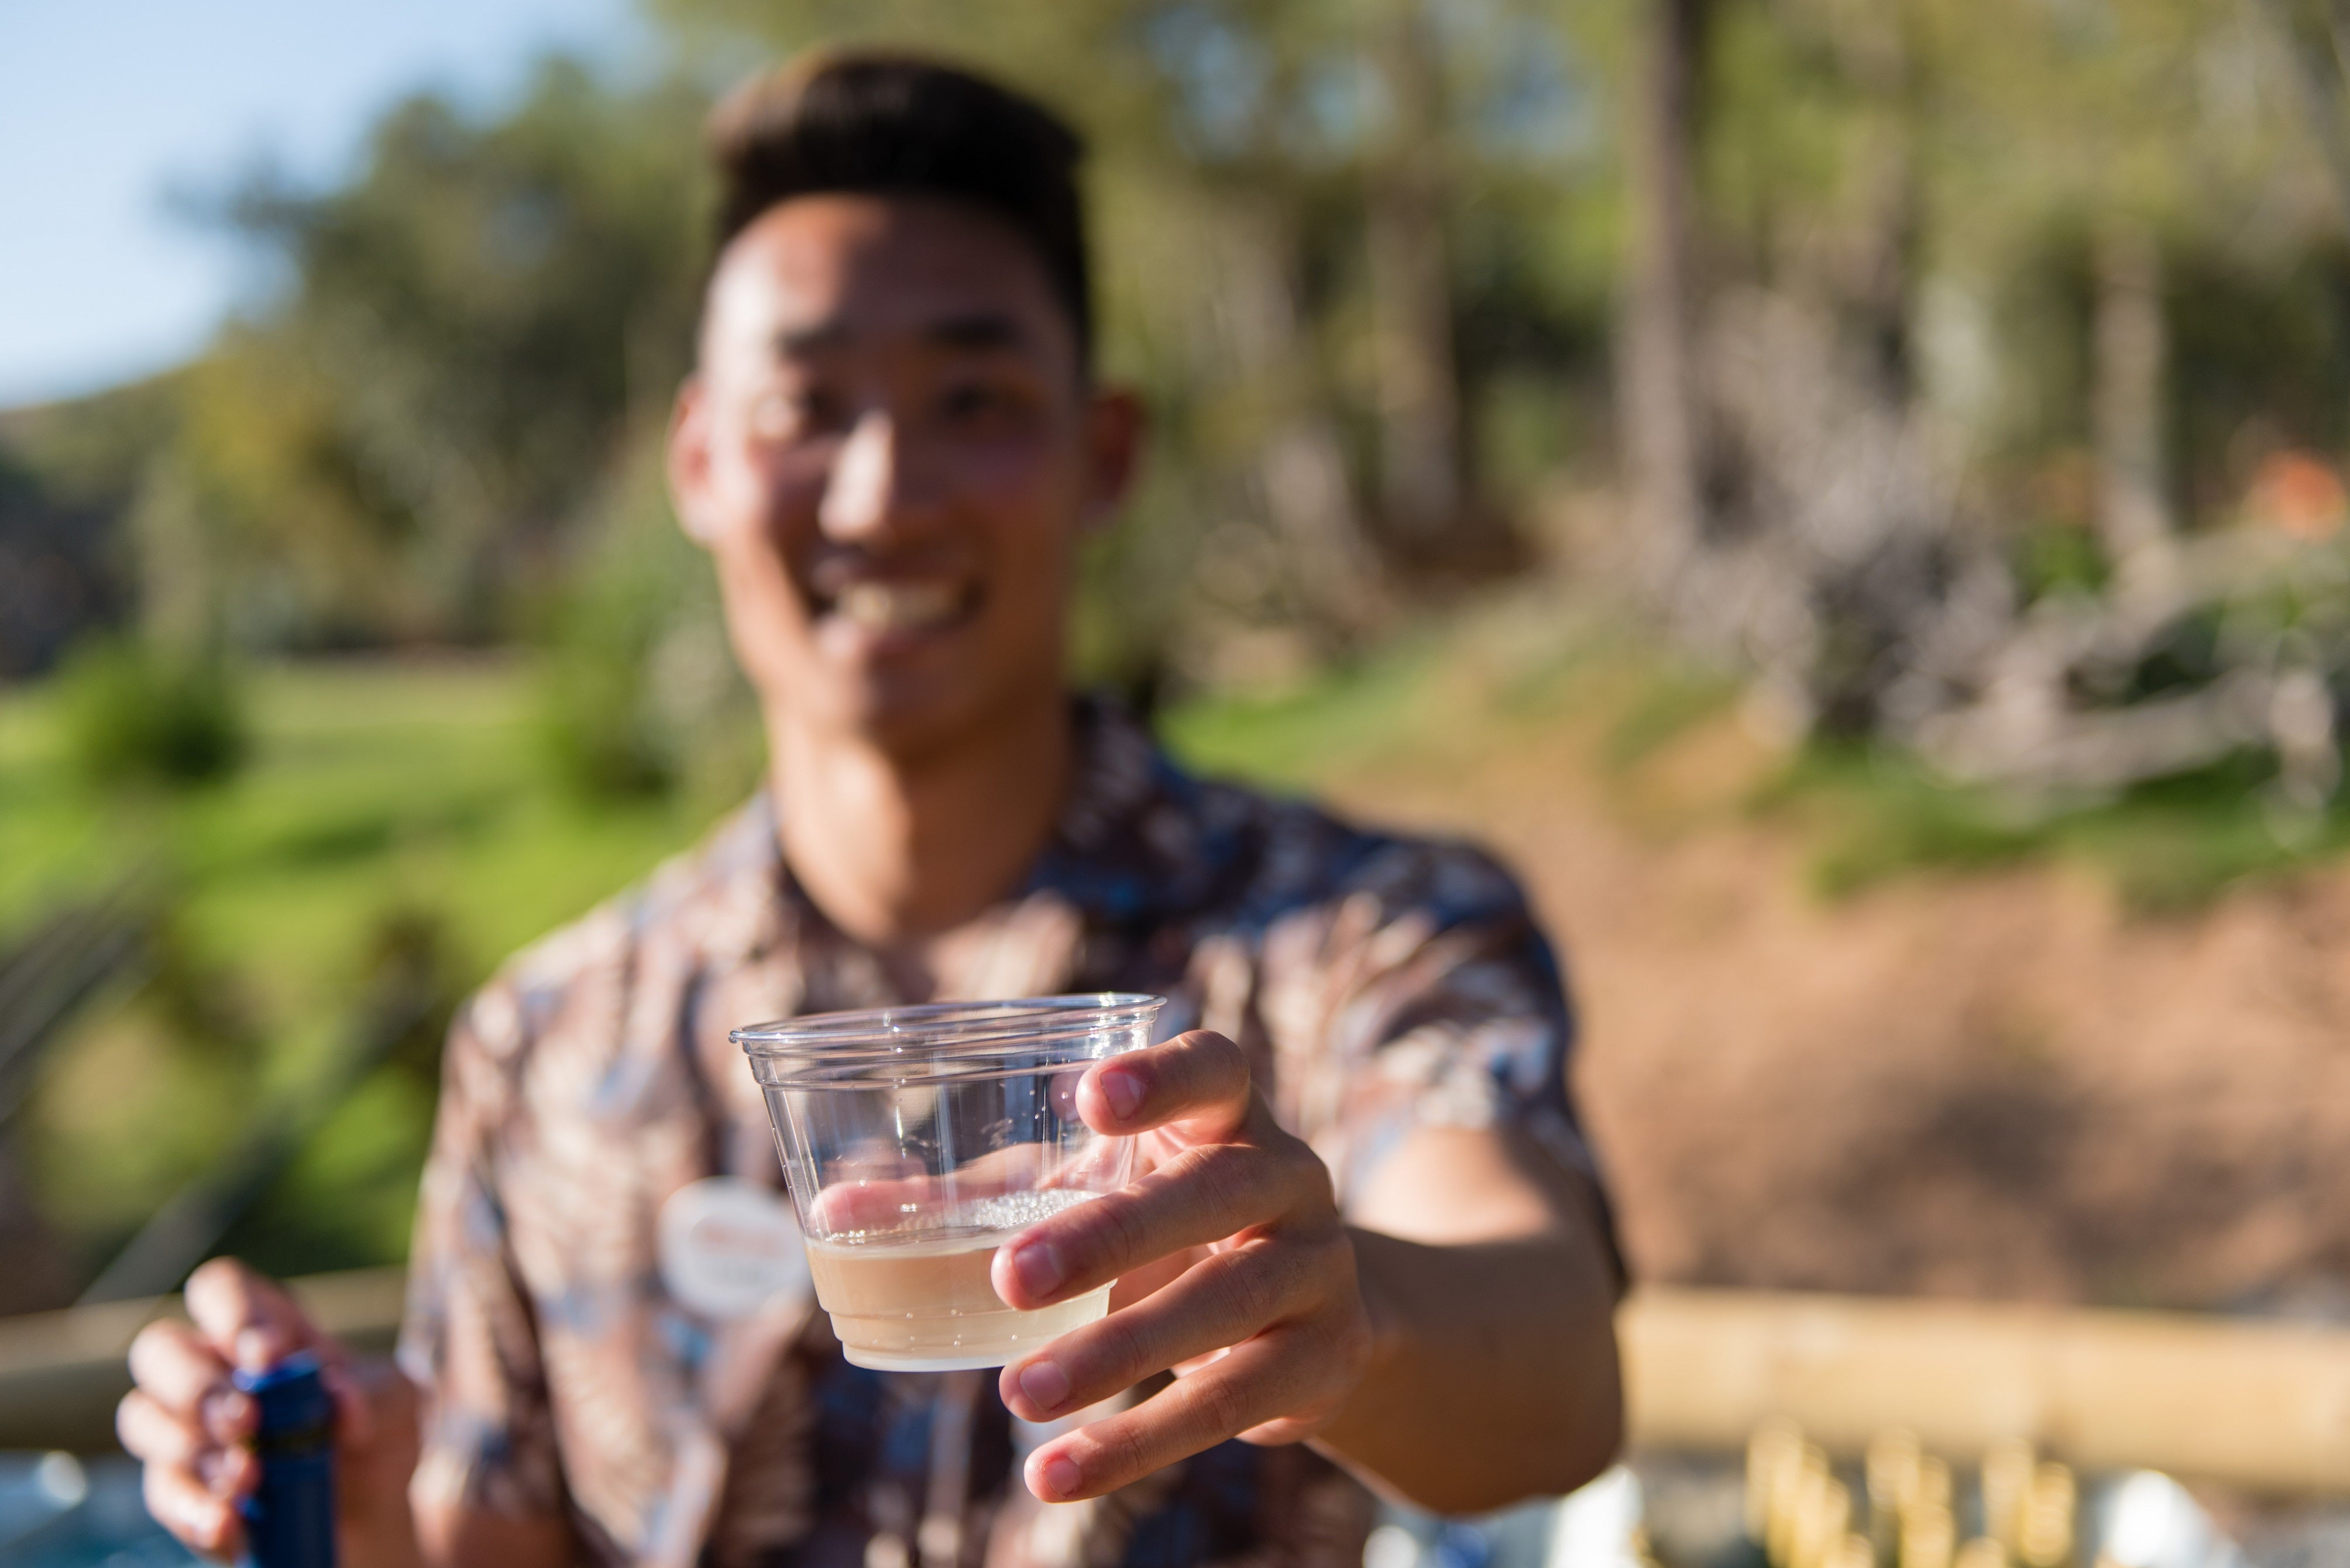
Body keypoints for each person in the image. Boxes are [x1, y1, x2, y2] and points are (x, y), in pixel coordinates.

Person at [115, 51, 1624, 1568]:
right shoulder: (549, 1045)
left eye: (972, 399)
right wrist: (363, 1514)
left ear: (1104, 456)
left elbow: (1553, 1363)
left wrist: (1351, 1320)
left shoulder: (1361, 938)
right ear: (702, 462)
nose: (882, 492)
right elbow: (501, 1539)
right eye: (808, 408)